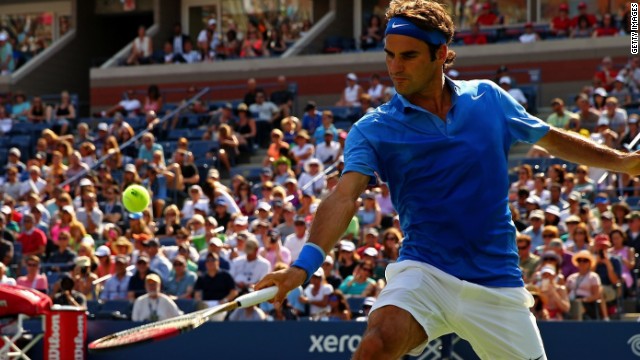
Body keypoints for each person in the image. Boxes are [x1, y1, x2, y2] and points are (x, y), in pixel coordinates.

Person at [256, 1, 640, 358]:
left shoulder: (489, 100)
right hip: (425, 271)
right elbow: (345, 196)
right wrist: (302, 266)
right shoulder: (373, 128)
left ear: (440, 54)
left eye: (408, 56)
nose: (395, 68)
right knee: (378, 341)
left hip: (496, 282)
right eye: (389, 55)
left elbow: (554, 141)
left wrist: (623, 163)